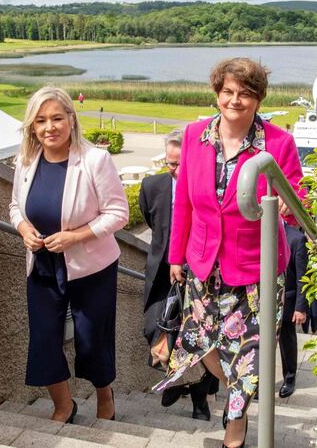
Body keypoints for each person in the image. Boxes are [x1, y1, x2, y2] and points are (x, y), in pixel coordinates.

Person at [154, 58, 305, 448]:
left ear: (258, 99)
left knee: (251, 360)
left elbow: (296, 195)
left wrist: (290, 204)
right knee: (205, 348)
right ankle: (235, 391)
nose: (235, 100)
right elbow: (184, 203)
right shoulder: (193, 136)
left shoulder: (278, 143)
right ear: (217, 94)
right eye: (228, 92)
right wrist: (176, 257)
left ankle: (234, 432)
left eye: (245, 93)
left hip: (257, 269)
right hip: (204, 265)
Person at [9, 86, 128, 424]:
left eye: (57, 118)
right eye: (41, 121)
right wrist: (23, 230)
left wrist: (75, 237)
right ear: (33, 127)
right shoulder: (27, 161)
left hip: (91, 267)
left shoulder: (95, 160)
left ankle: (105, 396)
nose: (50, 127)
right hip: (43, 266)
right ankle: (64, 405)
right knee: (44, 340)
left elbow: (118, 213)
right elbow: (15, 206)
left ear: (71, 120)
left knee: (91, 341)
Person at [138, 130, 216, 421]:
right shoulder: (151, 186)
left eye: (180, 163)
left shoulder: (207, 186)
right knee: (154, 329)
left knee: (197, 339)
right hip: (162, 276)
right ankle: (175, 379)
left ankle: (200, 401)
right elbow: (151, 220)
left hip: (200, 273)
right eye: (170, 164)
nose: (175, 170)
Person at [279, 222, 308, 398]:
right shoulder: (256, 233)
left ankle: (289, 379)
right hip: (259, 297)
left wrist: (300, 307)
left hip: (287, 299)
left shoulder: (297, 238)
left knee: (287, 339)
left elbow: (302, 278)